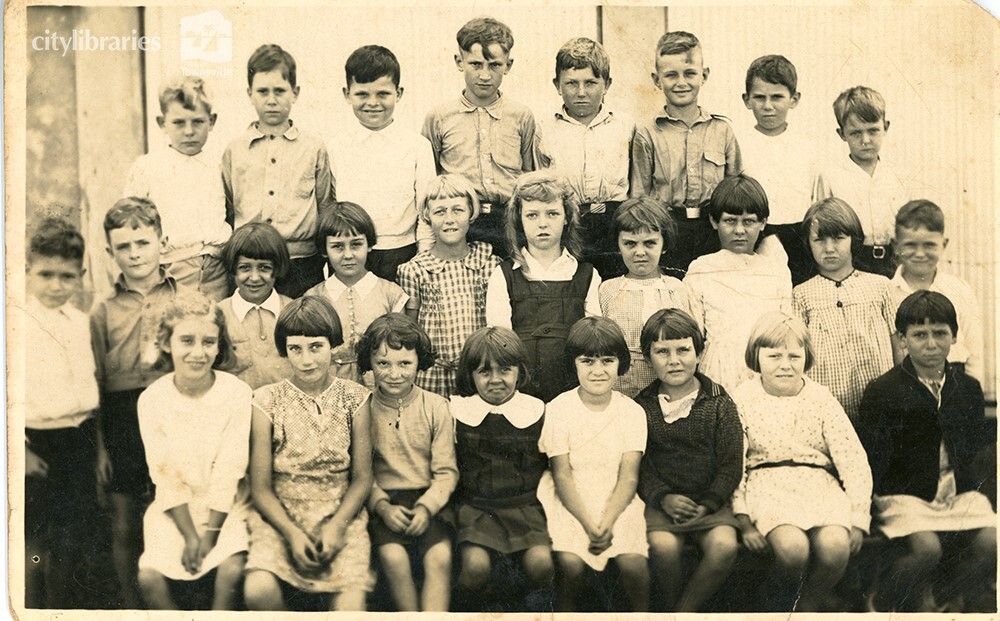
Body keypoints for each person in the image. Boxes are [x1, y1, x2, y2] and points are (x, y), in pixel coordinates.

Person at [858, 291, 996, 612]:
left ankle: (943, 595)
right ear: (902, 339)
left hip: (953, 492)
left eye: (940, 334)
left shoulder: (967, 388)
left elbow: (974, 447)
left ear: (954, 336)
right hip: (901, 495)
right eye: (919, 335)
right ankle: (882, 598)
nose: (931, 344)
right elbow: (873, 458)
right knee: (927, 548)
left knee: (992, 541)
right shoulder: (883, 390)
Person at [731, 312, 872, 612]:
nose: (785, 364)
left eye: (794, 356)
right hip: (767, 487)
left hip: (819, 485)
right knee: (793, 551)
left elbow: (852, 459)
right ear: (756, 356)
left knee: (835, 549)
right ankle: (772, 606)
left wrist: (859, 517)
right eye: (774, 355)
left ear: (806, 358)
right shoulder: (742, 398)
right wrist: (742, 518)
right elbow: (733, 462)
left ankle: (805, 609)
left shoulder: (820, 398)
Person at [244, 296, 374, 611]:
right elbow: (260, 488)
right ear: (285, 351)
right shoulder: (266, 400)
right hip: (281, 518)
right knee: (258, 590)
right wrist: (291, 534)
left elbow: (362, 478)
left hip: (340, 515)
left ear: (333, 346)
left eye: (316, 347)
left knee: (351, 607)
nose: (306, 360)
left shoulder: (354, 398)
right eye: (295, 349)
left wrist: (337, 526)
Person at [90, 197, 180, 608]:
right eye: (123, 247)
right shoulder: (102, 310)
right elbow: (95, 387)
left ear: (162, 241)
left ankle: (182, 600)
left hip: (173, 409)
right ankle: (130, 606)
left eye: (143, 242)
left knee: (177, 506)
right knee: (125, 520)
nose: (135, 253)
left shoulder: (184, 297)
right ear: (110, 253)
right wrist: (101, 448)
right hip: (122, 416)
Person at [135, 292, 251, 610]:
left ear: (219, 345)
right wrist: (190, 537)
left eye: (208, 342)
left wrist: (210, 536)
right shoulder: (152, 399)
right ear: (166, 343)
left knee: (231, 572)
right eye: (186, 340)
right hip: (175, 510)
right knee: (149, 578)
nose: (198, 353)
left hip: (226, 508)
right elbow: (164, 474)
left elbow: (231, 468)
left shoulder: (237, 393)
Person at [536, 317, 649, 612]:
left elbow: (628, 477)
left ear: (620, 363)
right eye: (587, 361)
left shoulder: (632, 412)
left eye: (607, 361)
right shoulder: (558, 408)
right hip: (570, 498)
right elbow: (561, 474)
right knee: (571, 565)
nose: (598, 371)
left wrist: (607, 522)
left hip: (616, 499)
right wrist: (589, 524)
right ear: (573, 363)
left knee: (634, 564)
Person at [634, 309, 743, 612]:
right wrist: (664, 498)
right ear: (648, 357)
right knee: (663, 549)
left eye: (683, 350)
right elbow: (640, 465)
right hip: (663, 505)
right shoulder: (641, 407)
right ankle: (669, 606)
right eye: (662, 352)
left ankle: (685, 612)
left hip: (709, 504)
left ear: (698, 353)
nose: (674, 360)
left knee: (724, 547)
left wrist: (709, 503)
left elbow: (731, 463)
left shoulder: (719, 402)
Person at [23, 218, 101, 609]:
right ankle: (29, 609)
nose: (56, 286)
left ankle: (66, 609)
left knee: (75, 537)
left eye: (66, 276)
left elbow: (91, 391)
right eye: (46, 274)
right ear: (27, 271)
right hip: (36, 441)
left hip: (79, 440)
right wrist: (18, 452)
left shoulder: (80, 322)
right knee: (35, 541)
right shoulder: (16, 324)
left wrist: (98, 448)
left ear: (81, 276)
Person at [357, 314, 457, 611]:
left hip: (429, 500)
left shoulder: (437, 406)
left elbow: (446, 471)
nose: (394, 374)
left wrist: (427, 507)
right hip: (384, 503)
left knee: (439, 558)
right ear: (370, 364)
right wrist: (382, 506)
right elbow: (361, 472)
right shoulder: (363, 408)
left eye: (405, 364)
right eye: (383, 364)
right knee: (394, 558)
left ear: (419, 362)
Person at [449, 327, 553, 611]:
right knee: (475, 567)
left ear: (519, 371)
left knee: (541, 564)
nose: (496, 380)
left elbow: (549, 469)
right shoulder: (457, 412)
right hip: (476, 508)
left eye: (505, 370)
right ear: (470, 375)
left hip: (525, 508)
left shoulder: (537, 411)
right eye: (484, 372)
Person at [422, 16, 541, 258]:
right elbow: (430, 180)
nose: (485, 75)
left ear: (508, 65)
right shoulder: (440, 117)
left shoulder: (521, 116)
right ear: (459, 61)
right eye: (476, 64)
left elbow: (529, 176)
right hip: (459, 223)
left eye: (494, 65)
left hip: (509, 223)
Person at [222, 44, 335, 297]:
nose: (271, 100)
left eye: (279, 91)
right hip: (251, 264)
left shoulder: (313, 147)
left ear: (294, 93)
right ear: (250, 93)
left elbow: (325, 204)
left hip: (301, 263)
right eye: (263, 91)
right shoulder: (235, 149)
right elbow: (228, 209)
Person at [629, 30, 741, 272]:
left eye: (690, 73)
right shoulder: (647, 133)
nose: (681, 83)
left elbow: (736, 191)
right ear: (657, 79)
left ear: (704, 75)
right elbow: (639, 198)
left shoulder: (722, 130)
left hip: (713, 233)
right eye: (671, 75)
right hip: (668, 232)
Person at [485, 171, 601, 402]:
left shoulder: (586, 275)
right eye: (532, 215)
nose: (543, 223)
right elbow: (501, 342)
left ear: (566, 217)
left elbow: (594, 341)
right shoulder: (504, 275)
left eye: (552, 214)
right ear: (520, 219)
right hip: (521, 391)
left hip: (573, 391)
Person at [329, 45, 436, 282]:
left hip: (404, 254)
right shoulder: (336, 147)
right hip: (353, 255)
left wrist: (423, 258)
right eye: (362, 94)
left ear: (399, 93)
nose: (373, 103)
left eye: (383, 94)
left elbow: (426, 209)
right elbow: (332, 207)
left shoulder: (417, 146)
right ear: (347, 94)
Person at [124, 76, 232, 301]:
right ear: (162, 123)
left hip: (218, 271)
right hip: (171, 270)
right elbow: (129, 223)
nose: (189, 131)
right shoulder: (147, 167)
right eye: (179, 123)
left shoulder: (220, 165)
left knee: (215, 329)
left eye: (198, 121)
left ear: (211, 121)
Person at [684, 175, 792, 392]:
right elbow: (693, 334)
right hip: (718, 372)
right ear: (715, 222)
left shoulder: (776, 271)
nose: (740, 230)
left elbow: (786, 332)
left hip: (765, 371)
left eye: (749, 221)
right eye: (730, 221)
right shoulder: (701, 270)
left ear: (762, 223)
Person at [397, 174, 501, 397]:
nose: (449, 219)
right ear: (427, 216)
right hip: (433, 375)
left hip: (479, 372)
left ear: (471, 213)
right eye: (440, 211)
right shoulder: (414, 270)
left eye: (457, 210)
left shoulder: (490, 263)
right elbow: (411, 330)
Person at [539, 37, 635, 279]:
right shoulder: (545, 129)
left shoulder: (625, 126)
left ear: (607, 84)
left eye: (590, 83)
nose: (581, 92)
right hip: (569, 224)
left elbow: (638, 183)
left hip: (615, 224)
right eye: (571, 83)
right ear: (557, 85)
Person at [793, 197, 895, 421]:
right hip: (826, 408)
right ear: (808, 243)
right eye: (819, 240)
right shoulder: (801, 295)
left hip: (880, 405)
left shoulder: (881, 287)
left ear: (853, 238)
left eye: (838, 238)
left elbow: (898, 345)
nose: (829, 248)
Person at [599, 197, 700, 397]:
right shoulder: (608, 290)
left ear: (664, 244)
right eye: (630, 243)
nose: (640, 252)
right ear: (618, 245)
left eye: (649, 243)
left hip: (668, 390)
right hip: (621, 389)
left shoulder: (677, 288)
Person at [305, 201, 408, 385]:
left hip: (380, 390)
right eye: (337, 246)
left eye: (356, 244)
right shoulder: (314, 298)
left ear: (369, 244)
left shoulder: (391, 293)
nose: (348, 254)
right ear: (324, 250)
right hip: (330, 389)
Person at [813, 86, 911, 277]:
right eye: (856, 133)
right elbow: (823, 228)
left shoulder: (898, 175)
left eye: (873, 131)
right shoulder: (830, 176)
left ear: (886, 127)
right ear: (842, 134)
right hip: (851, 262)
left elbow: (908, 225)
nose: (865, 140)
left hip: (893, 262)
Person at [739, 55, 817, 285]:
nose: (768, 106)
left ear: (794, 99)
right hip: (754, 235)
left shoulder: (807, 146)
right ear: (747, 100)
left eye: (777, 97)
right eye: (760, 97)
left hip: (798, 236)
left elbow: (813, 197)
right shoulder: (739, 143)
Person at [888, 199, 984, 382]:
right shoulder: (886, 294)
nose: (920, 253)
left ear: (944, 244)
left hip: (954, 385)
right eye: (910, 245)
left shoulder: (959, 291)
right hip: (905, 391)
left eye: (929, 245)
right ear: (895, 245)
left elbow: (974, 356)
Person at [218, 222, 293, 389]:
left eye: (264, 268)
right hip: (238, 409)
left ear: (278, 268)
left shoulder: (293, 311)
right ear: (233, 268)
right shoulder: (218, 315)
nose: (254, 277)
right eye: (244, 268)